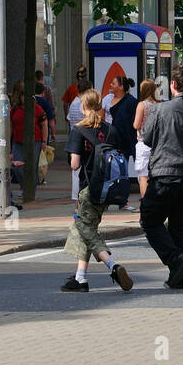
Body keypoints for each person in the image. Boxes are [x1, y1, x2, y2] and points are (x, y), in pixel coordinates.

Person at [140, 63, 183, 289]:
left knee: (150, 220)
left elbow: (148, 138)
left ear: (173, 85)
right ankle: (182, 277)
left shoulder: (159, 110)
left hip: (164, 173)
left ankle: (175, 259)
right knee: (180, 226)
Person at [61, 89, 133, 293]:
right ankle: (80, 279)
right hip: (107, 189)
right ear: (100, 107)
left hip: (88, 189)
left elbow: (75, 164)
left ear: (83, 107)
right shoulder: (110, 130)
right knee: (87, 228)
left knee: (86, 229)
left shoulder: (78, 130)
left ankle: (112, 266)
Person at [133, 79, 159, 198]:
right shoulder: (159, 104)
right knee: (155, 175)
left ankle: (145, 202)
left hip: (143, 143)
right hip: (157, 144)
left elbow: (136, 125)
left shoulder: (142, 105)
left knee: (143, 175)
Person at [61, 65, 87, 130]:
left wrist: (66, 115)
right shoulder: (88, 89)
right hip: (84, 117)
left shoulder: (71, 88)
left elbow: (65, 103)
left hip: (73, 117)